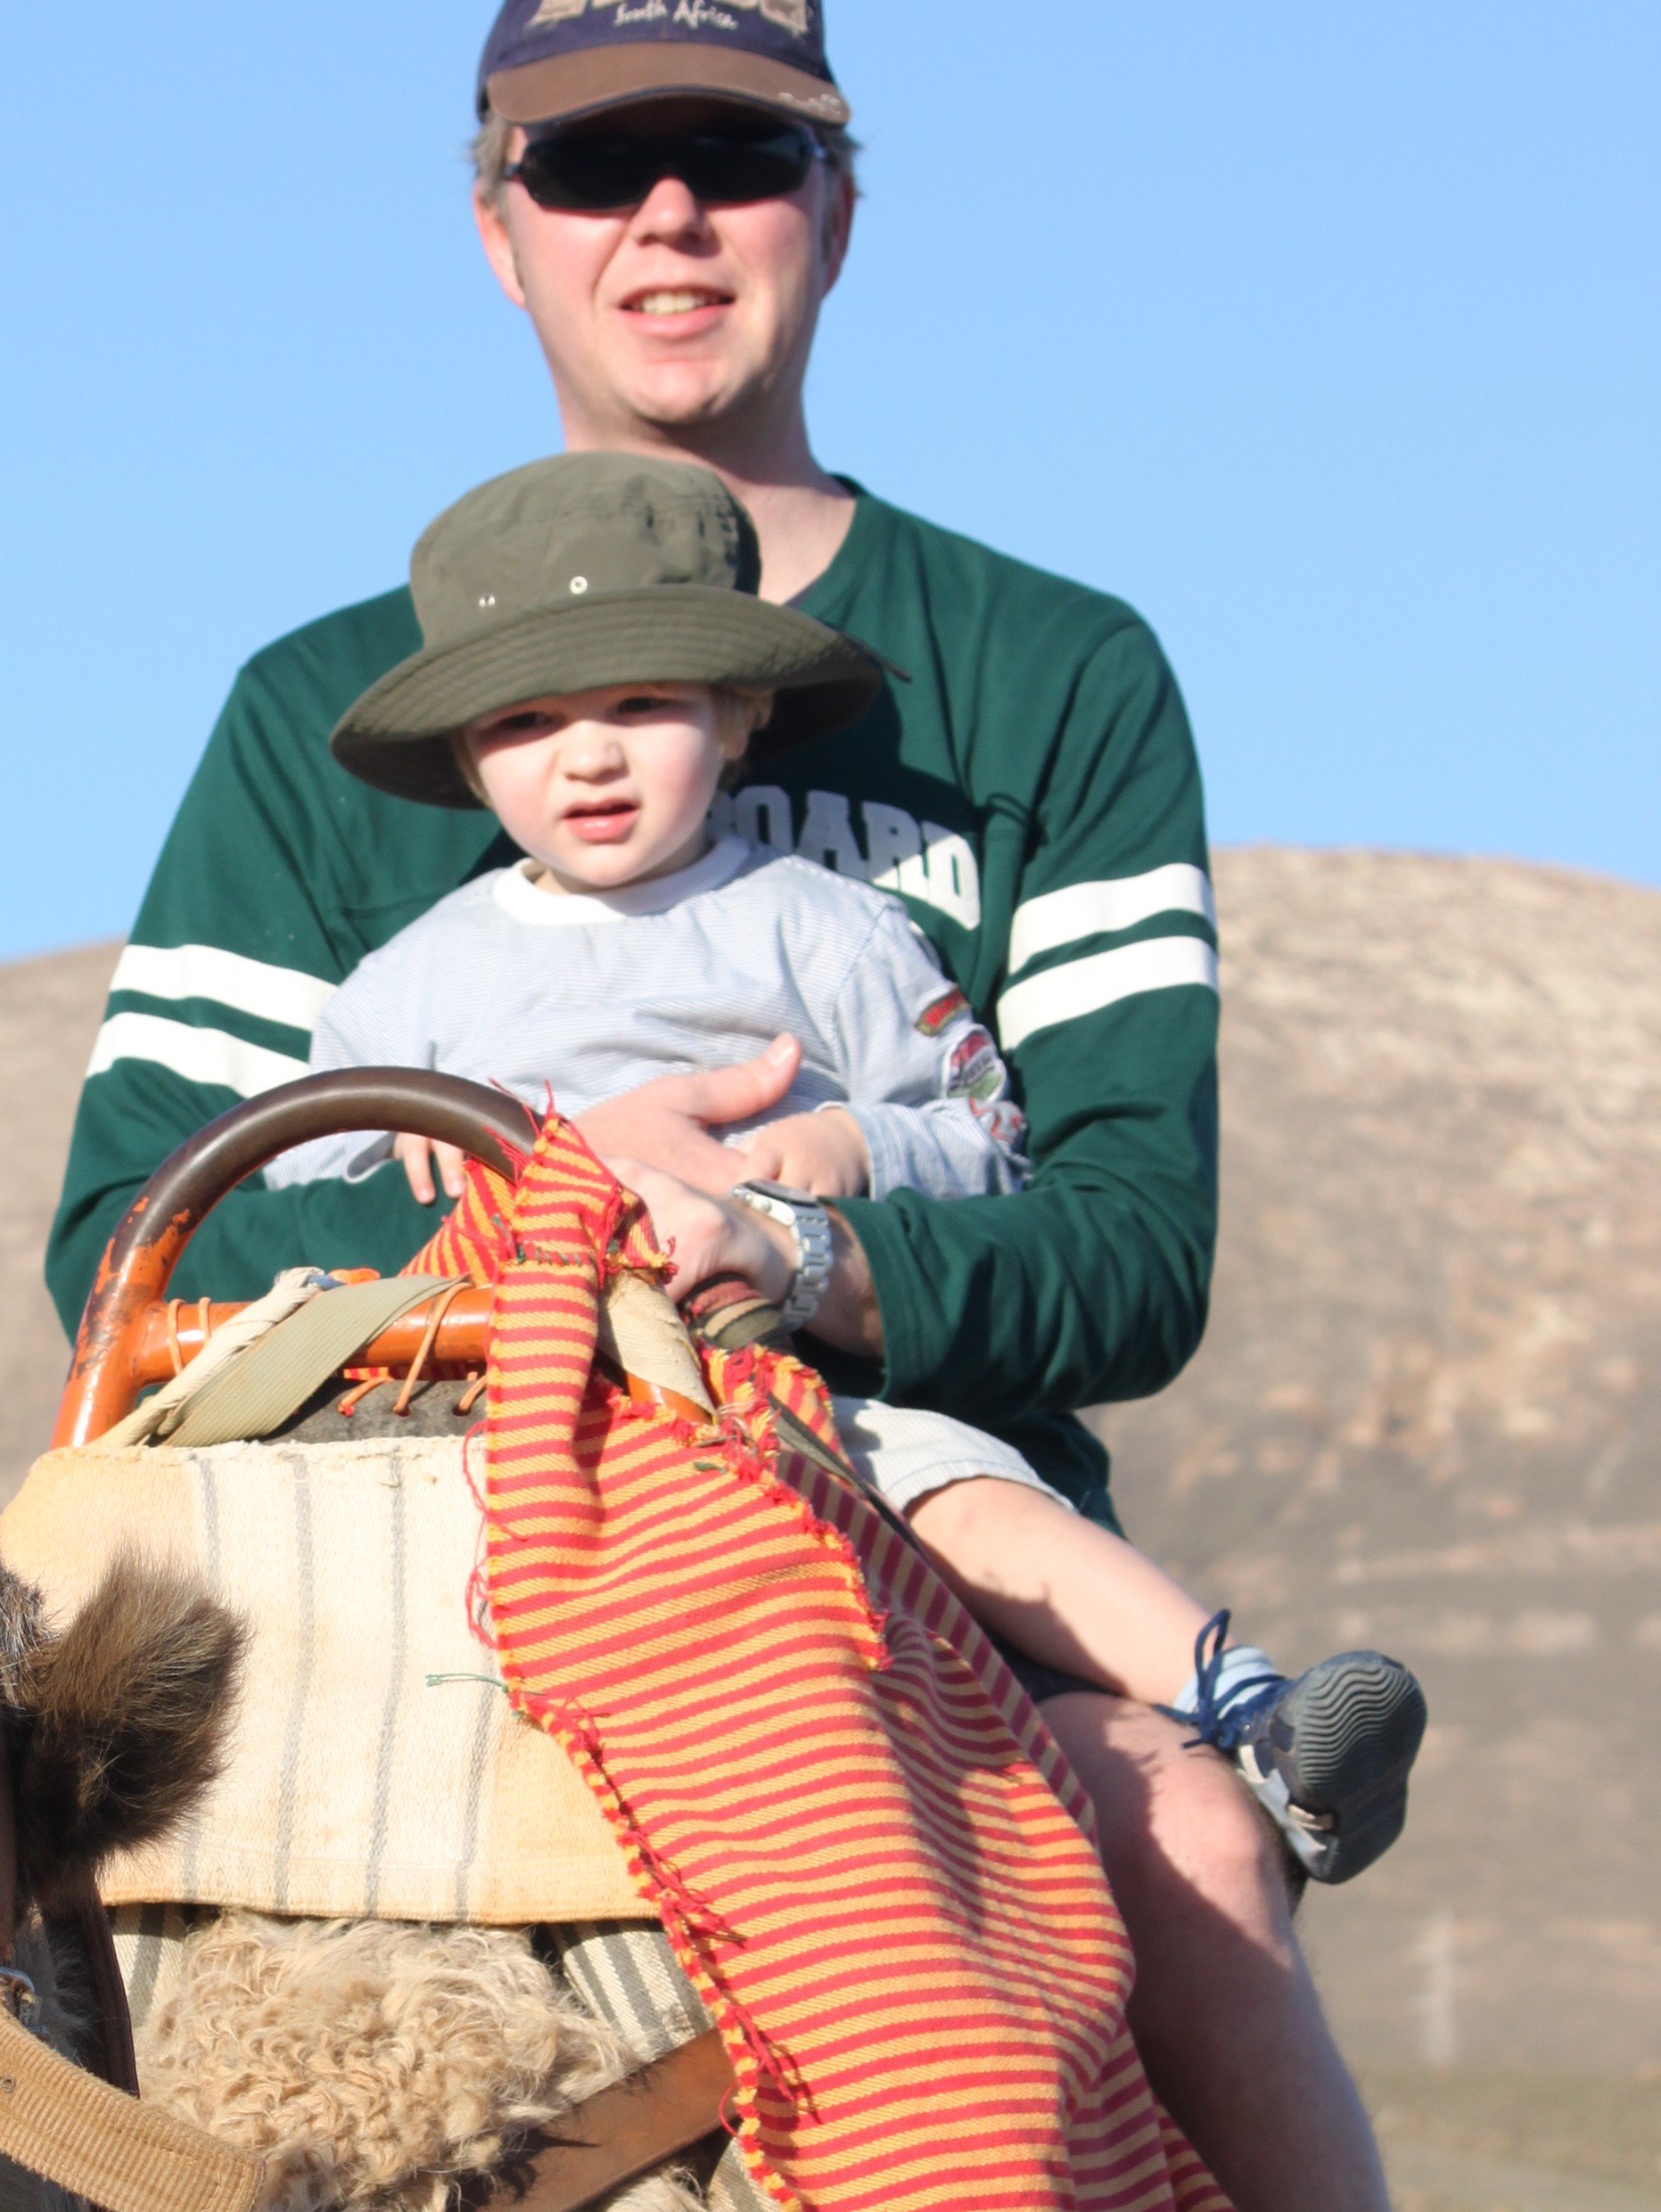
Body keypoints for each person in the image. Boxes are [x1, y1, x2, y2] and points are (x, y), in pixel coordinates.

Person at [45, 0, 1525, 2212]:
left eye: (725, 150)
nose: (664, 211)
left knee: (1188, 1872)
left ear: (835, 196)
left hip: (883, 1557)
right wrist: (539, 1235)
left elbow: (1122, 1237)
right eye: (591, 162)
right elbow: (110, 1246)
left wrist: (806, 1256)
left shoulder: (1032, 680)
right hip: (419, 1603)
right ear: (492, 229)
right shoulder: (335, 704)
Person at [278, 446, 1428, 1888]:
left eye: (642, 701)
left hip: (784, 1377)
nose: (589, 753)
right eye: (526, 718)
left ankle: (1249, 1710)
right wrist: (424, 1160)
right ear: (463, 755)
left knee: (966, 1494)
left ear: (742, 712)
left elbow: (987, 1142)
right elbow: (287, 1179)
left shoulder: (818, 929)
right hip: (515, 1407)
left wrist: (849, 1146)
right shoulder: (415, 982)